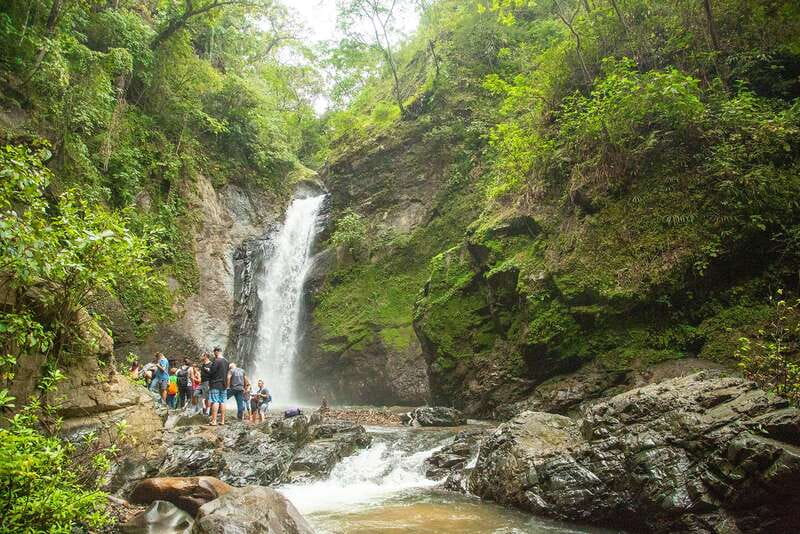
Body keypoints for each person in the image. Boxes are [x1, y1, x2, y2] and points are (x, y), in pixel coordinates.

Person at [208, 347, 229, 426]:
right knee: (223, 401)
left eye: (214, 353)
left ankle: (214, 421)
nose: (214, 354)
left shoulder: (217, 361)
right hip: (224, 384)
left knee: (215, 401)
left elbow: (212, 372)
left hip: (215, 383)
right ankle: (223, 421)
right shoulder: (226, 361)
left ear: (217, 352)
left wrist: (208, 370)